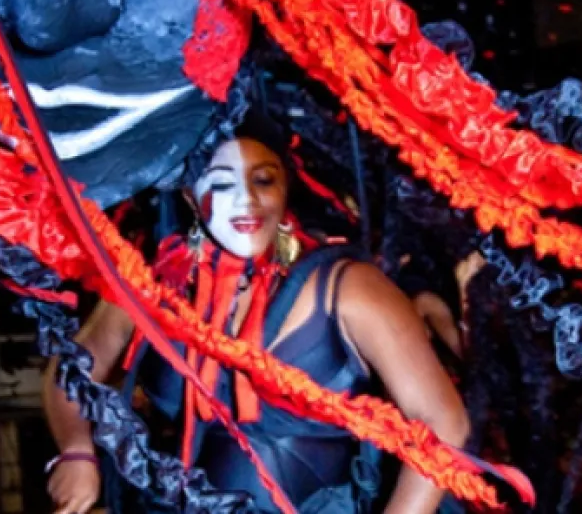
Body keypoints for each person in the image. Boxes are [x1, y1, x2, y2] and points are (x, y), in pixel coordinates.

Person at [42, 118, 470, 514]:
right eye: (222, 184)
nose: (247, 201)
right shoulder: (151, 286)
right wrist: (76, 451)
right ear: (190, 195)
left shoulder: (349, 287)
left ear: (286, 186)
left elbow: (443, 420)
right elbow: (73, 368)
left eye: (263, 179)